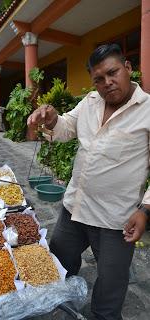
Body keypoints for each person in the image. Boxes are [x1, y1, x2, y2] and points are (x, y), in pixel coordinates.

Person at [27, 44, 150, 320]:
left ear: (128, 68)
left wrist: (144, 211)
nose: (107, 83)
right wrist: (52, 118)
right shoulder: (90, 102)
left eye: (113, 73)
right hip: (75, 209)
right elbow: (66, 127)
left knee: (110, 286)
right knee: (58, 262)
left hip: (115, 220)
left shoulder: (148, 111)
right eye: (99, 79)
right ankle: (63, 303)